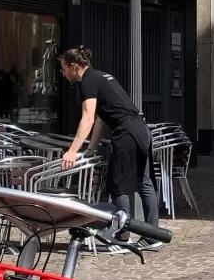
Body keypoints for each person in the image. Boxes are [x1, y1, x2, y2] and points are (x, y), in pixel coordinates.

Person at [58, 47, 162, 250]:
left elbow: (88, 118)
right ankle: (153, 235)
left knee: (118, 185)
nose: (63, 74)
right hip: (141, 129)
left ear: (74, 66)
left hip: (126, 132)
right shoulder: (101, 77)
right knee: (144, 182)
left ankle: (122, 237)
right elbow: (100, 118)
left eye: (63, 69)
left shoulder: (87, 81)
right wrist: (91, 148)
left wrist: (72, 151)